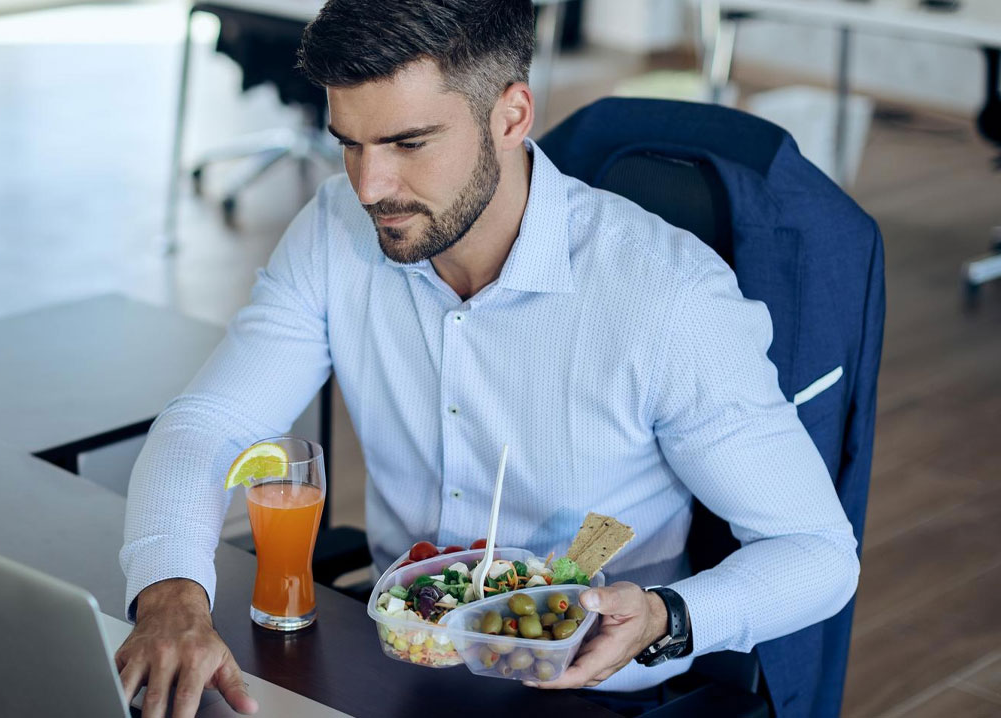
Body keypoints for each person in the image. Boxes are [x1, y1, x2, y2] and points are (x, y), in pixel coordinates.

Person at [114, 0, 860, 716]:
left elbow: (818, 552)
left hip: (587, 691)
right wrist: (170, 594)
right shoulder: (333, 232)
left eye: (408, 144)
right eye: (350, 143)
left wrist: (670, 616)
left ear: (511, 116)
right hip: (402, 665)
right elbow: (210, 423)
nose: (370, 187)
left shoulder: (668, 298)